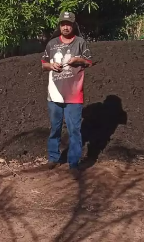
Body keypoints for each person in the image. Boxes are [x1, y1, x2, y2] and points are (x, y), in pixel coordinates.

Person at [40, 11, 94, 178]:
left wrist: (78, 60)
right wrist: (51, 65)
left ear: (73, 25)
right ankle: (53, 158)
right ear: (59, 25)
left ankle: (73, 163)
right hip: (54, 94)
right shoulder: (52, 44)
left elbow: (89, 62)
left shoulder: (80, 43)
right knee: (55, 127)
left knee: (74, 130)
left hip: (74, 95)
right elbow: (43, 64)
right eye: (63, 24)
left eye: (68, 24)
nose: (65, 27)